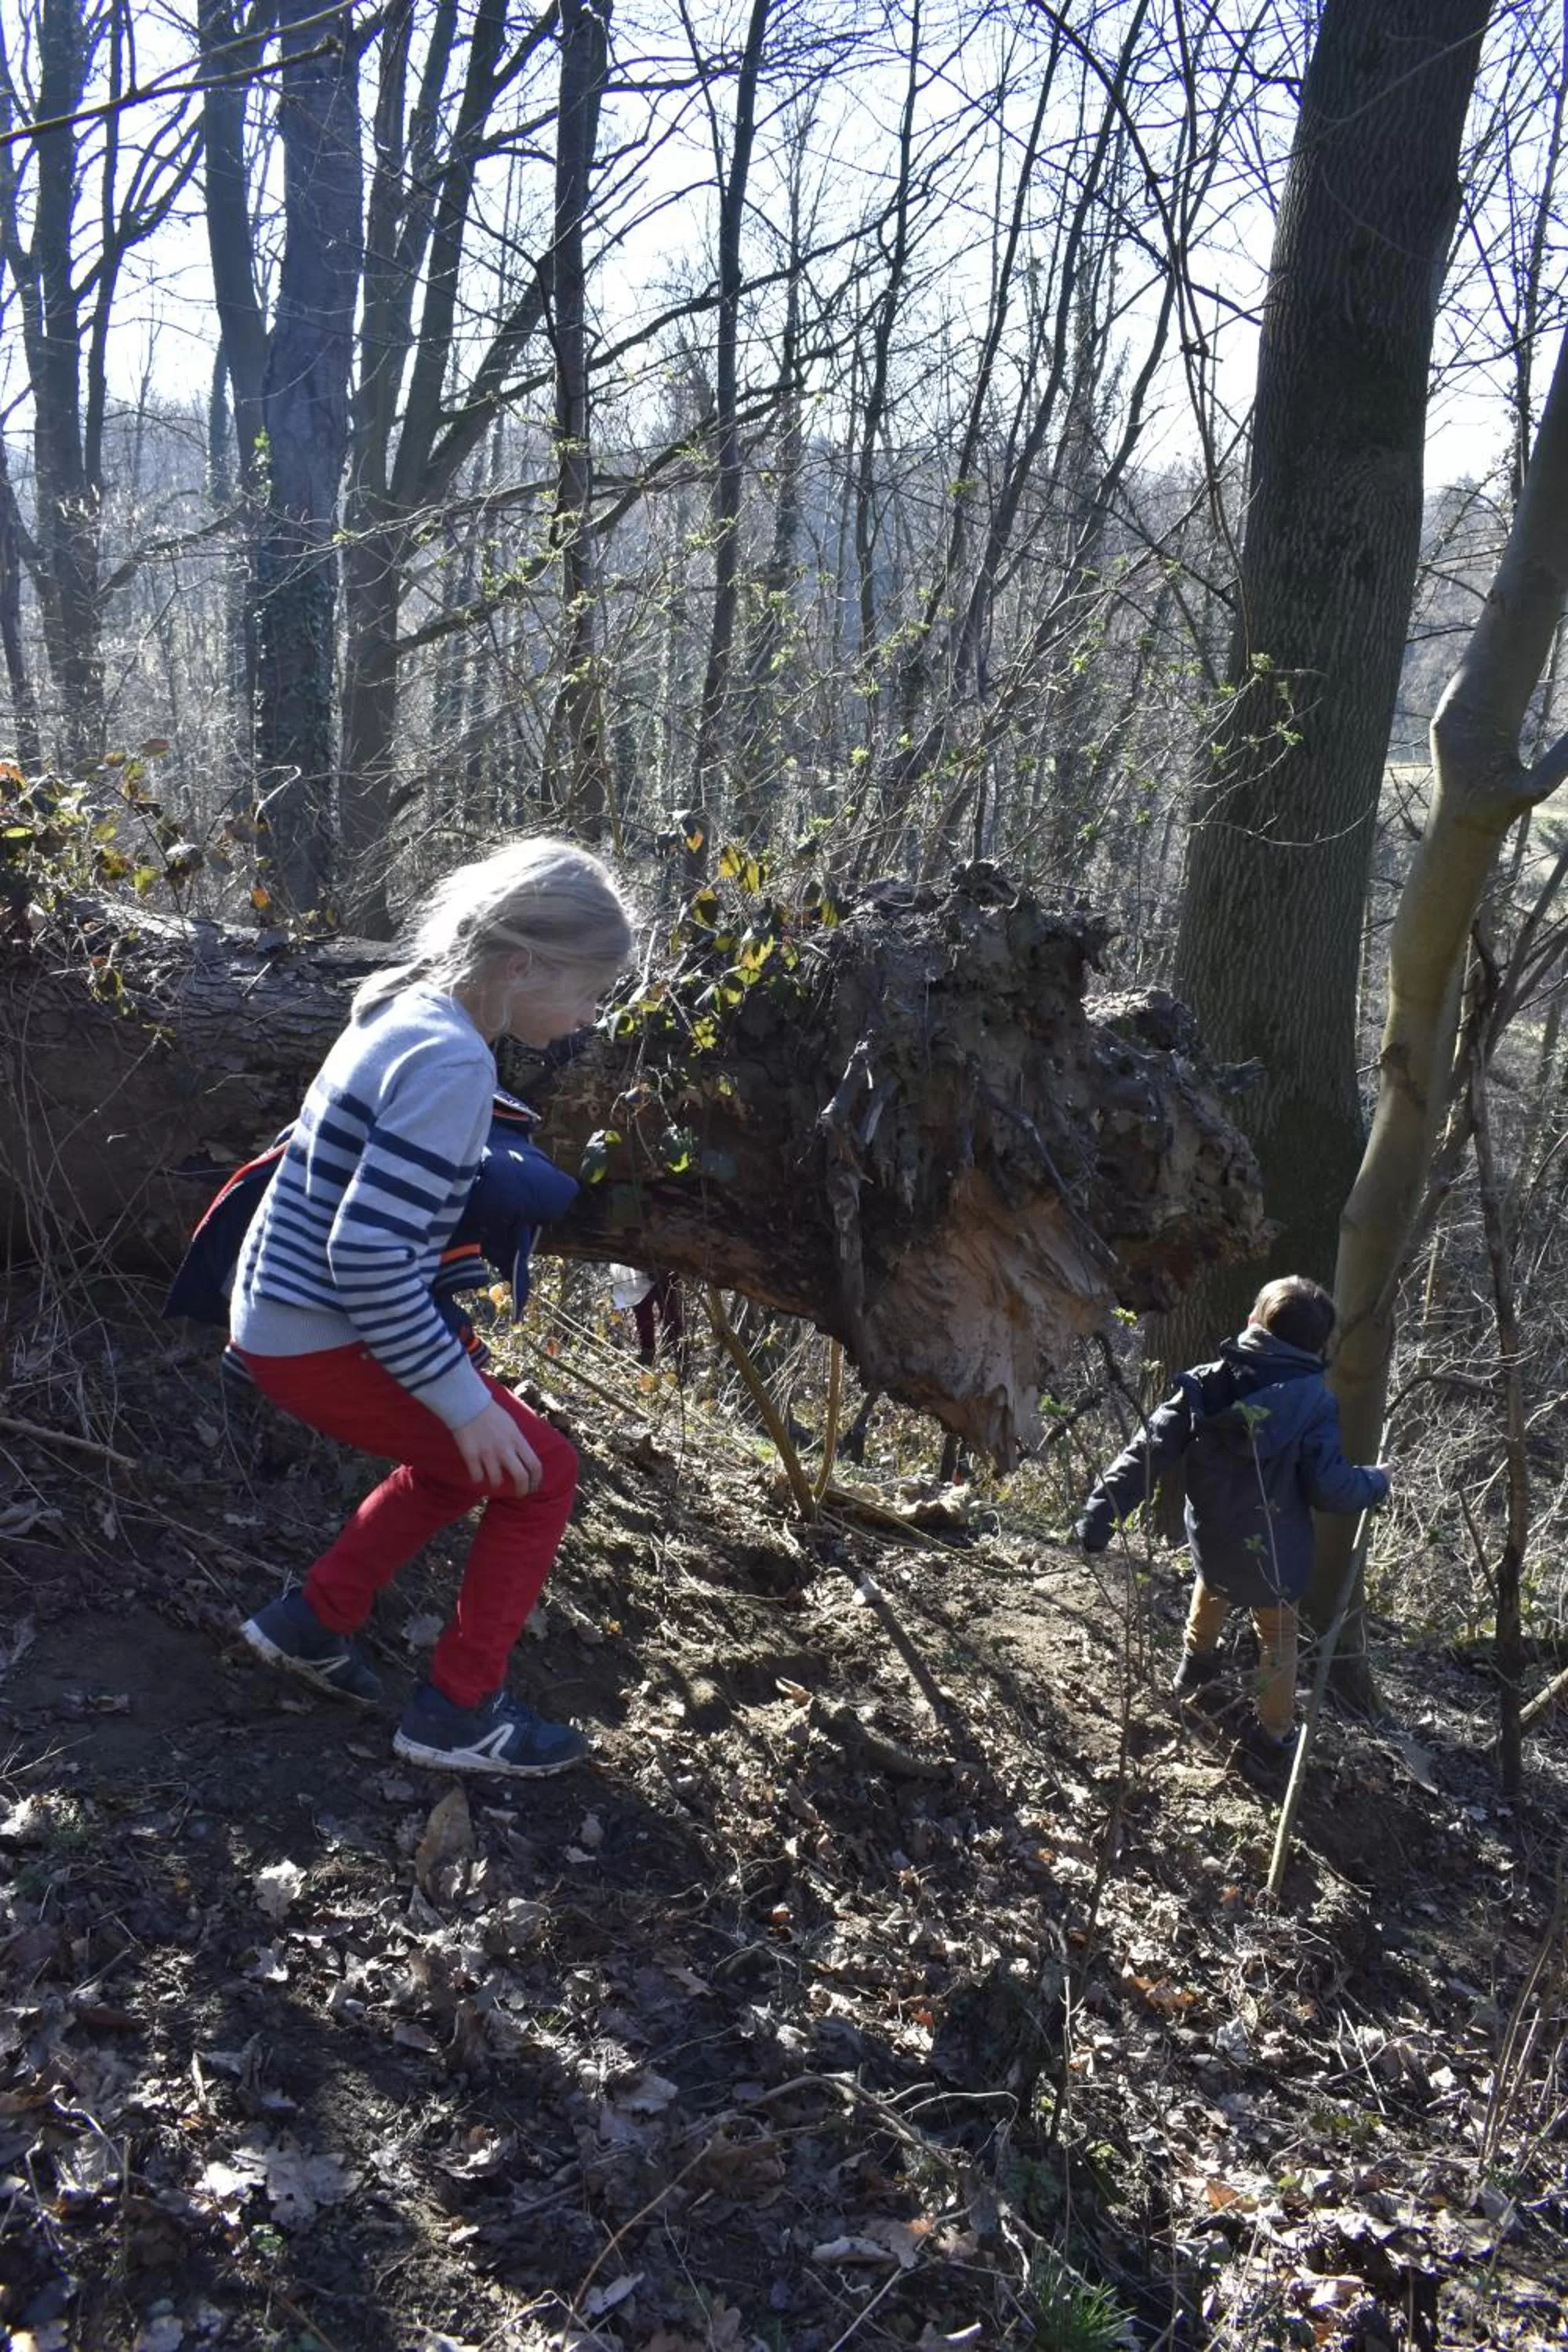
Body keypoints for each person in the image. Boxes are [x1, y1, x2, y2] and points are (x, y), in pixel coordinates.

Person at [231, 837, 635, 1778]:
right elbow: (366, 1257)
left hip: (283, 1314)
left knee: (463, 1469)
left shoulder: (399, 1006)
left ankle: (312, 1621)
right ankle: (459, 1712)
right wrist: (461, 1399)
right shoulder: (452, 1063)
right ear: (520, 962)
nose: (587, 1017)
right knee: (540, 1473)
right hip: (320, 1329)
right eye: (585, 990)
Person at [1074, 1276, 1391, 1774]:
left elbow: (1147, 1452)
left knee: (1213, 1583)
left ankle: (1194, 1668)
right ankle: (1274, 1734)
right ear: (1317, 1346)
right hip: (1277, 1556)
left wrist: (1100, 1515)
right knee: (1278, 1636)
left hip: (1211, 1537)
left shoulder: (1206, 1382)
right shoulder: (1315, 1404)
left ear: (1251, 1322)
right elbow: (1330, 1488)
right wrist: (1374, 1482)